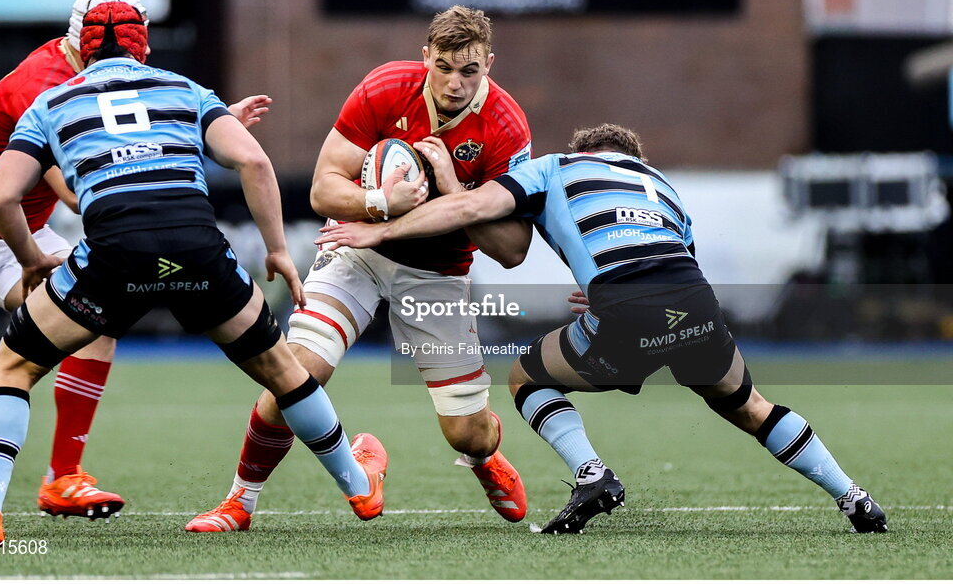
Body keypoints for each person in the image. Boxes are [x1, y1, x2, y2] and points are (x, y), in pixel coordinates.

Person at [0, 1, 386, 547]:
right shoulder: (183, 89)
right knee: (281, 369)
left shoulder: (51, 100)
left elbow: (0, 196)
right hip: (195, 249)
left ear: (79, 46)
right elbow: (255, 163)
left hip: (113, 257)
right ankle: (359, 486)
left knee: (11, 365)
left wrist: (31, 261)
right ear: (143, 44)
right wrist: (276, 250)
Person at [316, 123, 889, 535]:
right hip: (693, 301)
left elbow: (469, 212)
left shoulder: (555, 167)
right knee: (749, 405)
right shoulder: (662, 184)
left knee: (527, 377)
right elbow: (670, 257)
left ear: (584, 150)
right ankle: (854, 497)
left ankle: (592, 474)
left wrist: (381, 231)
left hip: (626, 306)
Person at [0, 0, 270, 525]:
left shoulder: (92, 74)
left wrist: (207, 124)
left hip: (22, 232)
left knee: (98, 315)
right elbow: (74, 188)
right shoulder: (40, 85)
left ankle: (63, 477)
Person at [187, 5, 533, 532]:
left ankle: (485, 459)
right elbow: (323, 186)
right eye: (444, 66)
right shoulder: (386, 87)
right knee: (295, 373)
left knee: (466, 431)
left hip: (437, 273)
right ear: (426, 58)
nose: (455, 82)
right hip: (356, 253)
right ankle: (240, 501)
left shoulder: (506, 126)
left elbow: (512, 249)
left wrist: (452, 187)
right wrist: (380, 203)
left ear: (489, 64)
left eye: (470, 70)